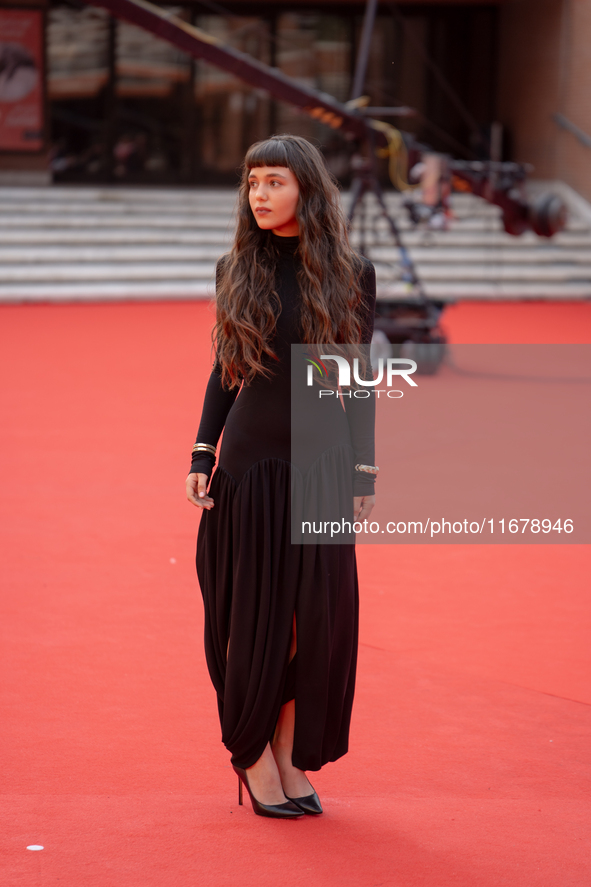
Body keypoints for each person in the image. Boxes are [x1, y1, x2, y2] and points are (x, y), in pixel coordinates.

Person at [186, 134, 377, 819]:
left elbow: (353, 378)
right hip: (251, 468)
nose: (259, 194)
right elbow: (225, 369)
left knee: (313, 620)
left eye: (273, 181)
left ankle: (291, 755)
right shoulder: (235, 267)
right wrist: (202, 451)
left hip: (322, 468)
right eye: (252, 182)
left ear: (306, 188)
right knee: (254, 616)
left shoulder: (351, 273)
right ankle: (250, 754)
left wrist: (362, 466)